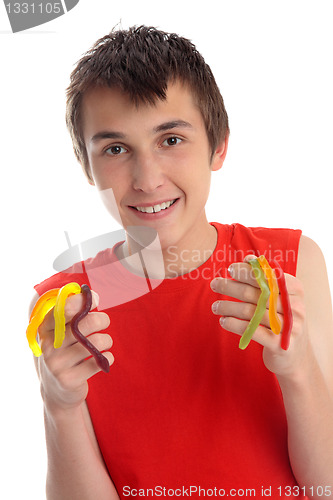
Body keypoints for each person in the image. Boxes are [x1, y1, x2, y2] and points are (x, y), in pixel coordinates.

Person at [30, 26, 333, 499]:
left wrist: (297, 370)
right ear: (86, 167)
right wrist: (60, 404)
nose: (148, 178)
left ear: (218, 146)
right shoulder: (63, 306)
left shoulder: (292, 262)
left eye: (170, 139)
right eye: (115, 149)